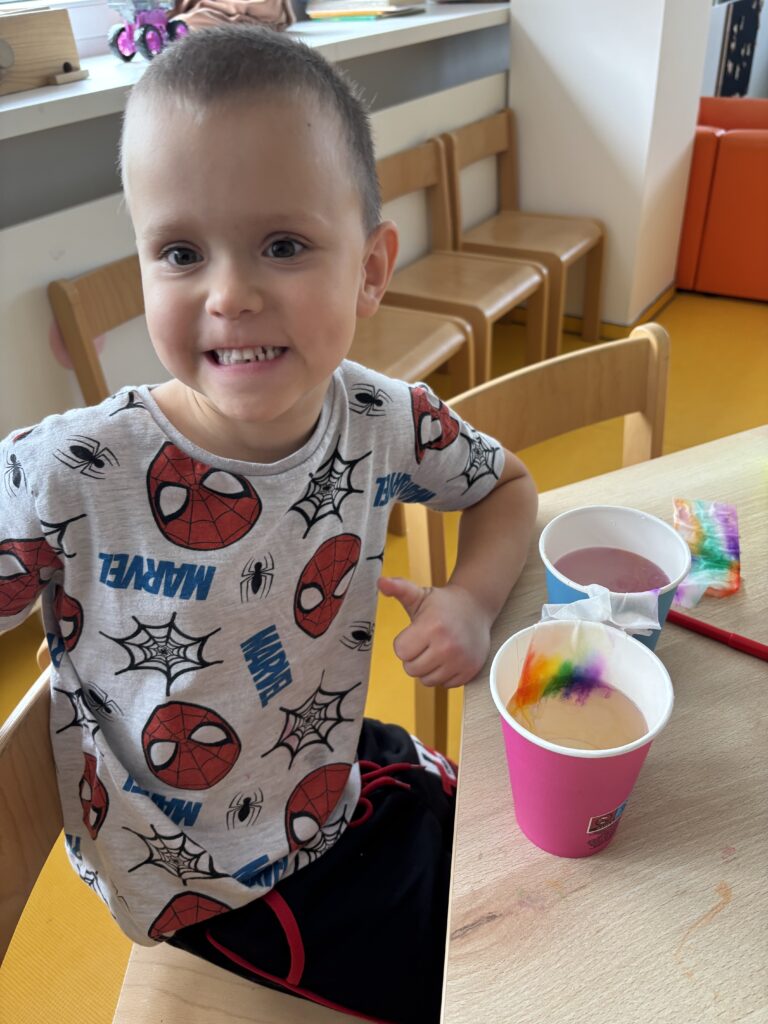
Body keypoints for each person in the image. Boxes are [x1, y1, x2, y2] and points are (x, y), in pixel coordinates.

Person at [0, 26, 537, 1023]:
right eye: (180, 252)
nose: (230, 295)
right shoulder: (66, 471)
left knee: (535, 892)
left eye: (282, 245)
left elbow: (507, 485)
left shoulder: (383, 417)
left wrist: (471, 597)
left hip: (330, 785)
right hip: (195, 885)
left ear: (370, 269)